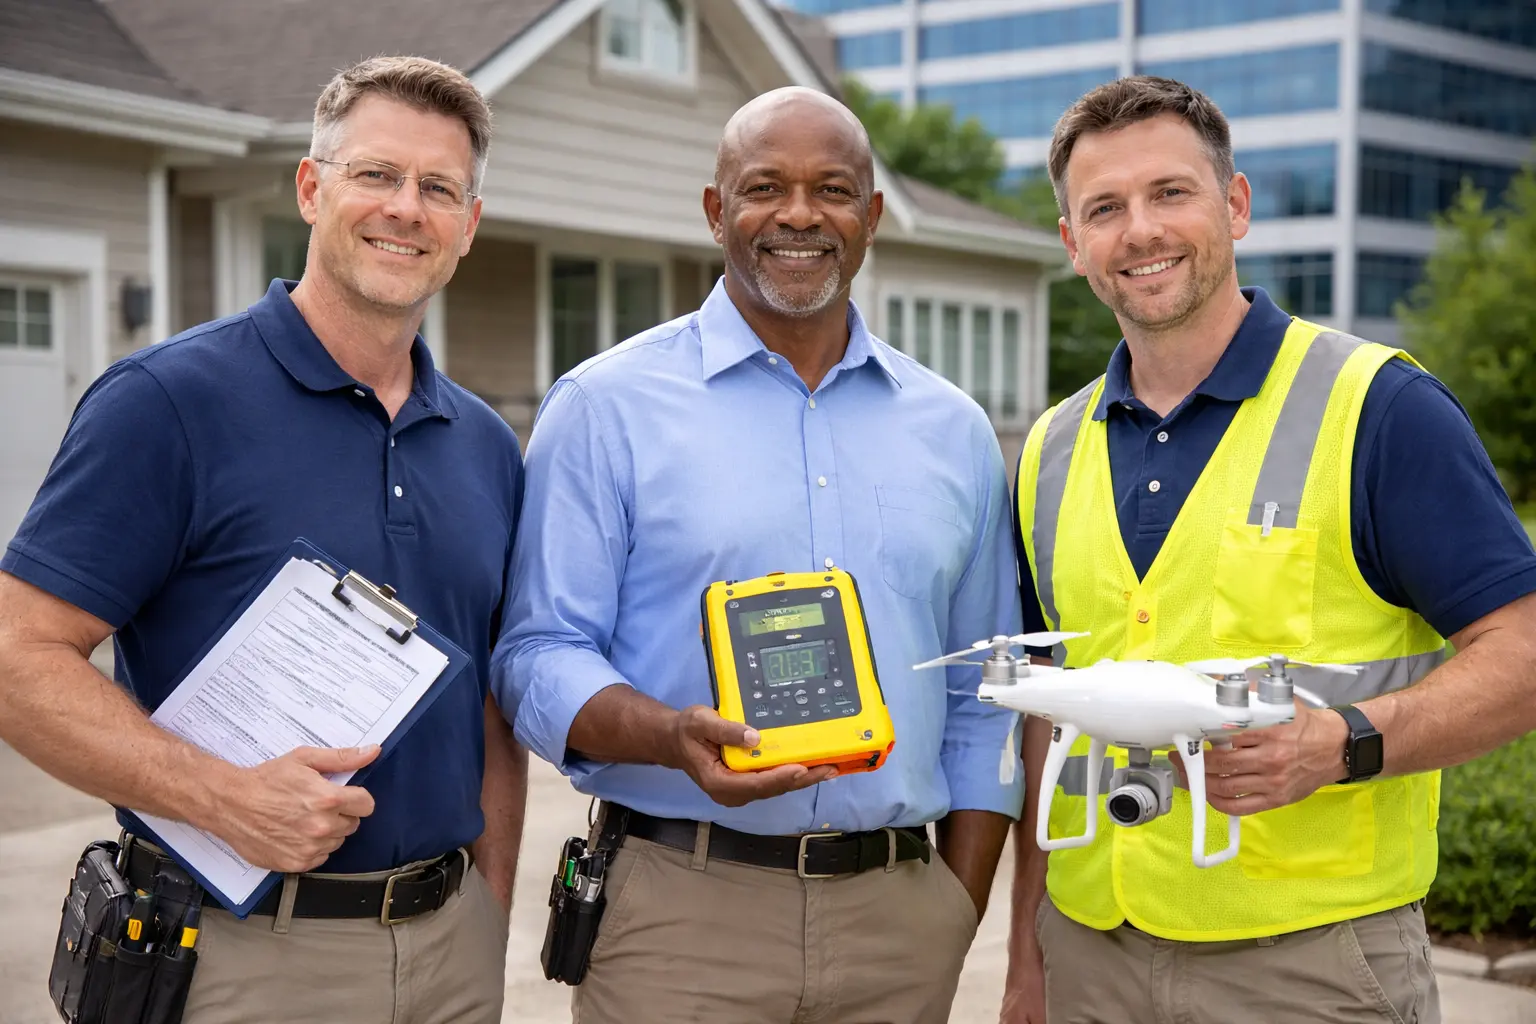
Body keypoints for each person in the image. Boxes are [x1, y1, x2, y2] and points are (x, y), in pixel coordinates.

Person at [0, 56, 527, 1024]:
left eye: (438, 188)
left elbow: (491, 712)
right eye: (376, 174)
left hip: (449, 954)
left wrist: (486, 914)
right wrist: (218, 795)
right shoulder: (168, 403)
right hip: (239, 955)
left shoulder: (488, 446)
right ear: (311, 187)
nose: (405, 208)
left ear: (467, 226)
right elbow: (16, 655)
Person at [999, 75, 1536, 1024]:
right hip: (1089, 959)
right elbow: (1050, 714)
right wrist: (1027, 960)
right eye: (1105, 208)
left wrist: (1346, 743)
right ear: (1072, 244)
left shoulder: (1380, 409)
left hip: (1314, 967)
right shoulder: (1047, 451)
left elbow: (1523, 654)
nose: (1141, 231)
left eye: (1172, 193)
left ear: (1235, 205)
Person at [494, 85, 1022, 1024]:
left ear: (871, 216)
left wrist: (954, 906)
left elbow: (986, 691)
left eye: (832, 189)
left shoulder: (955, 430)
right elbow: (535, 655)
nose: (799, 215)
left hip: (900, 924)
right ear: (715, 210)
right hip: (680, 915)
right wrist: (669, 736)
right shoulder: (603, 407)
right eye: (764, 187)